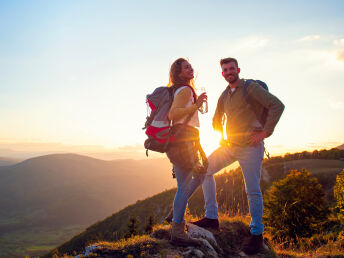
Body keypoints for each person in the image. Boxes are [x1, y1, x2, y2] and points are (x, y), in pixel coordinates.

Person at [191, 57, 285, 255]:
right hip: (230, 146)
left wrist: (264, 133)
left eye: (231, 68)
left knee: (252, 190)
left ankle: (256, 234)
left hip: (251, 147)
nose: (228, 72)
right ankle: (211, 217)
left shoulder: (250, 88)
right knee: (205, 170)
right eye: (225, 70)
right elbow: (216, 120)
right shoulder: (225, 95)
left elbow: (277, 105)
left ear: (238, 69)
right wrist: (222, 137)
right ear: (222, 73)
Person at [166, 58, 208, 246]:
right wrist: (196, 104)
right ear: (179, 73)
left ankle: (176, 214)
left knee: (200, 173)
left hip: (187, 138)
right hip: (184, 140)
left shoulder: (183, 90)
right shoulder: (184, 90)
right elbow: (173, 114)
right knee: (184, 185)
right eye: (186, 67)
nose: (190, 69)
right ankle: (177, 230)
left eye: (191, 66)